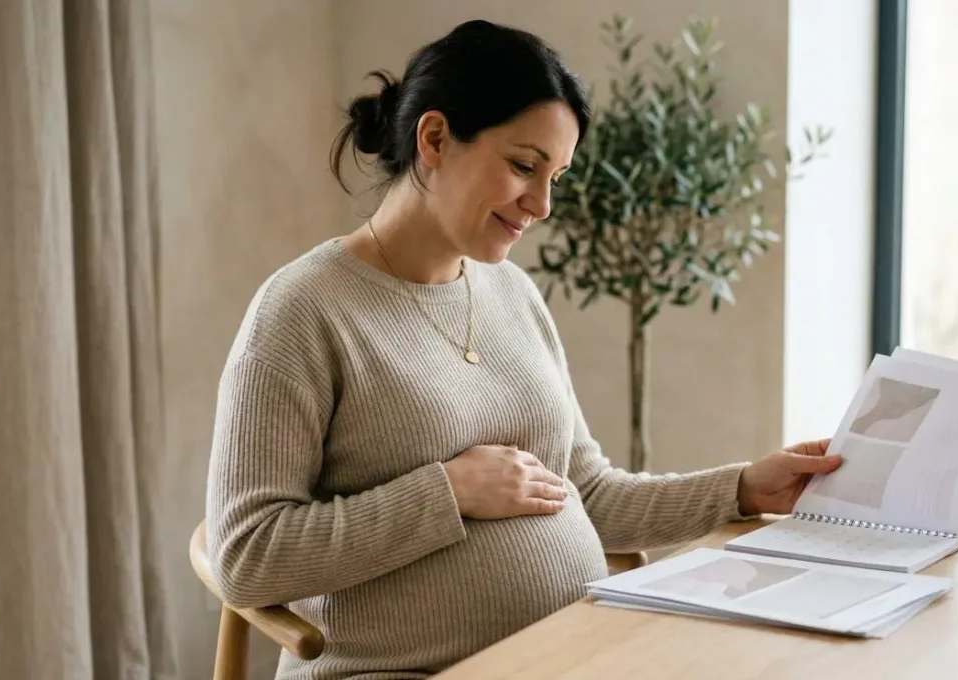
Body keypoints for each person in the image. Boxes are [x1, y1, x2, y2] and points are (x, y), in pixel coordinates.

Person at [204, 18, 843, 680]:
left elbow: (586, 492)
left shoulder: (510, 292)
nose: (541, 205)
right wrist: (447, 492)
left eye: (556, 177)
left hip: (566, 656)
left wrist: (744, 487)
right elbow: (247, 557)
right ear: (434, 138)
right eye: (523, 167)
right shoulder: (303, 311)